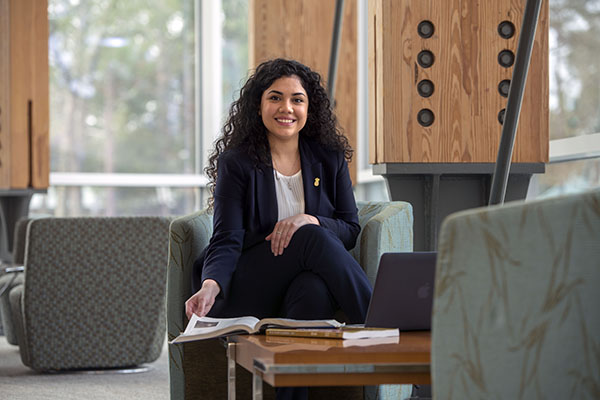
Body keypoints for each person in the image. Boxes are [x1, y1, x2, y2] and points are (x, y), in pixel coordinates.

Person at [185, 58, 372, 399]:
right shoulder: (237, 162)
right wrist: (211, 285)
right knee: (310, 238)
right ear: (258, 106)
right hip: (252, 283)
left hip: (303, 281)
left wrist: (310, 218)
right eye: (275, 97)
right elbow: (227, 237)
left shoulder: (328, 158)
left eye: (297, 99)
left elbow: (349, 228)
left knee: (312, 290)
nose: (286, 107)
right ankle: (380, 325)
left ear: (308, 108)